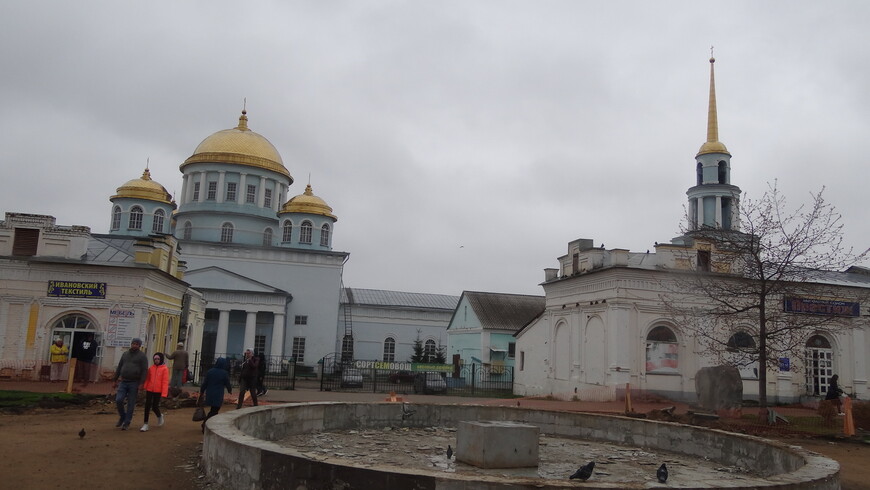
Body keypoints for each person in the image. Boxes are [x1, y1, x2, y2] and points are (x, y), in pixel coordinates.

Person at [113, 338, 148, 430]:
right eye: (133, 344)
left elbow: (144, 370)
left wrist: (141, 383)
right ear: (131, 344)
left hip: (134, 382)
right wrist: (115, 379)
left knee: (131, 403)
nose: (134, 345)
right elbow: (120, 366)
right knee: (119, 400)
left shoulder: (142, 356)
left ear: (139, 346)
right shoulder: (125, 354)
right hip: (123, 381)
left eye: (137, 344)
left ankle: (127, 422)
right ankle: (122, 416)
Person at [199, 357, 232, 433]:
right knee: (214, 411)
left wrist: (202, 391)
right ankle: (205, 424)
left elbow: (205, 383)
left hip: (210, 393)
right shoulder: (224, 373)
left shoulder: (210, 371)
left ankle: (207, 424)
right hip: (218, 394)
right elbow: (227, 383)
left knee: (213, 410)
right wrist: (229, 390)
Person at [141, 352, 169, 432]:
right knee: (147, 405)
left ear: (161, 359)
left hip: (158, 390)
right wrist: (145, 387)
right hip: (150, 389)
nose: (156, 360)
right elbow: (148, 379)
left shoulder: (164, 369)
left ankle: (159, 416)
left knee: (154, 406)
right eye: (155, 359)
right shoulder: (151, 368)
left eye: (158, 359)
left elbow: (165, 381)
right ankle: (145, 423)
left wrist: (164, 393)